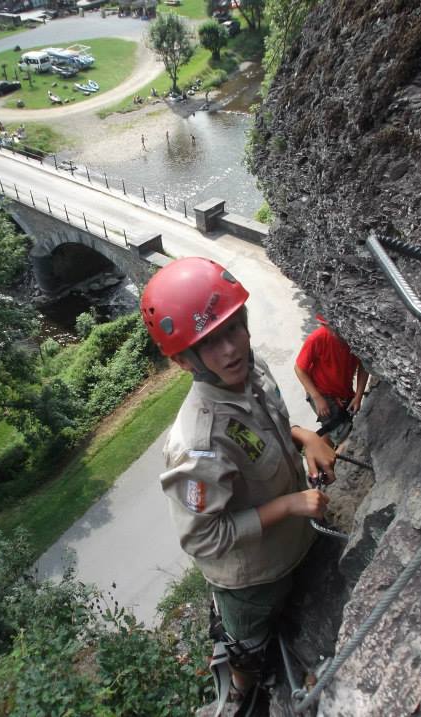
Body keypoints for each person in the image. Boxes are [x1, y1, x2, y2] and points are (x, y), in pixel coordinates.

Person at [140, 257, 336, 714]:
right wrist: (289, 505)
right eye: (208, 343)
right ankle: (238, 695)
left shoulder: (251, 371)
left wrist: (304, 437)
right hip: (254, 578)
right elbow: (203, 538)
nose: (230, 349)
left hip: (295, 541)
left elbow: (263, 430)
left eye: (233, 328)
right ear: (182, 360)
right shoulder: (198, 445)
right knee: (247, 645)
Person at [294, 315, 369, 447]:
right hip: (321, 393)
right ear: (324, 325)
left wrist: (358, 395)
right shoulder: (317, 339)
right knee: (343, 436)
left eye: (338, 328)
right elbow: (299, 369)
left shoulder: (355, 338)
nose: (336, 333)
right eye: (331, 328)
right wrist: (317, 398)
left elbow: (365, 365)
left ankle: (320, 453)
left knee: (333, 427)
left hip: (344, 392)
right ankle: (336, 457)